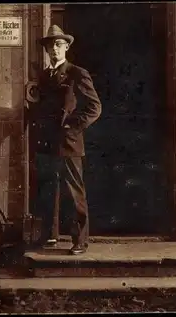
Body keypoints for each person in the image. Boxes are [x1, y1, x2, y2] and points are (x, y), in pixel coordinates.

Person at [26, 25, 102, 255]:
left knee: (73, 192)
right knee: (49, 189)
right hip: (47, 142)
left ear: (67, 47)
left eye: (58, 44)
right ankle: (50, 235)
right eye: (50, 46)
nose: (54, 49)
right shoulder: (44, 76)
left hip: (68, 142)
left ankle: (80, 240)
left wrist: (72, 126)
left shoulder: (77, 73)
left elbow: (94, 107)